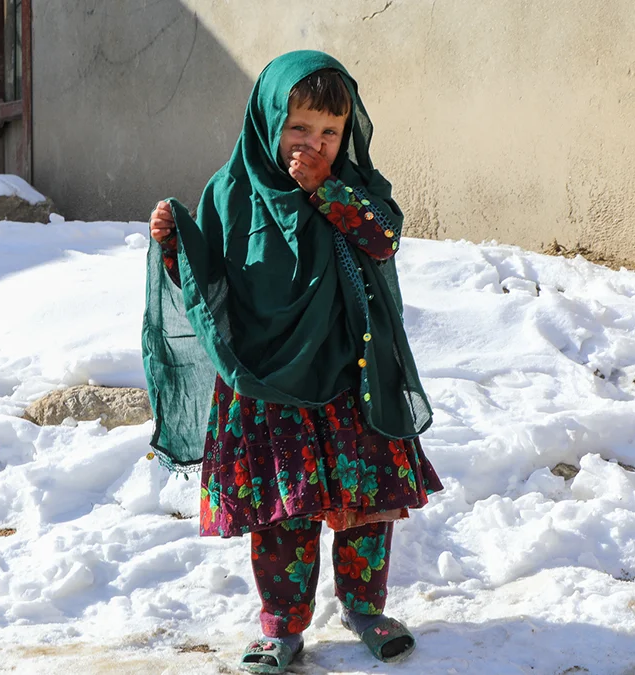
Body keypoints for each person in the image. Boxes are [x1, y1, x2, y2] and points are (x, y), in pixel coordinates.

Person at [142, 50, 441, 674]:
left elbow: (382, 240)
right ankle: (281, 627)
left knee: (362, 506)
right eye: (299, 128)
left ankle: (365, 608)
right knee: (286, 515)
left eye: (330, 132)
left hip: (348, 378)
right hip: (270, 385)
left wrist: (325, 190)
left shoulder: (353, 187)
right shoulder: (228, 193)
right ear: (267, 121)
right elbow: (213, 285)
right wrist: (176, 248)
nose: (315, 143)